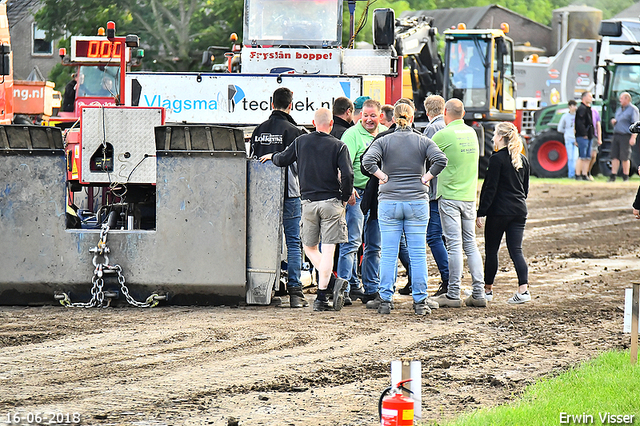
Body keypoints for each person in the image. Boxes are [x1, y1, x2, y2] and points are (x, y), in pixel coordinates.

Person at [260, 108, 354, 311]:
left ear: (313, 122)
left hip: (308, 203)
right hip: (331, 203)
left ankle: (331, 284)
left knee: (309, 248)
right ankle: (322, 297)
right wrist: (345, 198)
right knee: (328, 250)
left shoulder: (302, 141)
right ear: (331, 124)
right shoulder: (339, 146)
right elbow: (347, 175)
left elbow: (283, 159)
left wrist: (271, 156)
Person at [362, 103, 447, 315]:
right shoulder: (423, 140)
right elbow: (441, 160)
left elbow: (367, 161)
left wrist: (382, 177)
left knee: (388, 253)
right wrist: (426, 178)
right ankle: (420, 301)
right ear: (411, 118)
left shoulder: (383, 140)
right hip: (417, 202)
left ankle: (385, 300)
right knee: (418, 253)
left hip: (389, 202)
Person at [250, 88, 307, 308]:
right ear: (291, 105)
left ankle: (262, 288)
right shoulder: (294, 131)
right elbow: (299, 166)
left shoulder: (258, 130)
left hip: (262, 195)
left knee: (263, 241)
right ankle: (295, 292)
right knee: (293, 242)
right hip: (290, 194)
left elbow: (254, 160)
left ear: (271, 103)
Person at [431, 98, 486, 308]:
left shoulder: (443, 134)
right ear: (462, 114)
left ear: (445, 112)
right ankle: (478, 292)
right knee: (470, 244)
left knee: (454, 245)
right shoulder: (472, 133)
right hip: (469, 196)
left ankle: (453, 293)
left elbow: (425, 153)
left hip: (450, 196)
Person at [338, 98, 387, 303]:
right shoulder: (351, 135)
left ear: (380, 116)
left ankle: (371, 288)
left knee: (374, 244)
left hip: (378, 195)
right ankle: (344, 288)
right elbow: (343, 165)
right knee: (352, 242)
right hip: (356, 195)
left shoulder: (385, 134)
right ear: (359, 115)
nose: (368, 119)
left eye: (372, 116)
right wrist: (347, 191)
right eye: (365, 115)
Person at [476, 122, 531, 304]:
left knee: (492, 251)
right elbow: (525, 189)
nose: (493, 139)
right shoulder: (522, 160)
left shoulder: (497, 159)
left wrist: (481, 212)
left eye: (494, 136)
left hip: (499, 211)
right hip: (519, 210)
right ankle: (523, 290)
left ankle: (488, 290)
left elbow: (490, 188)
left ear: (500, 137)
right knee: (516, 250)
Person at [609, 92, 639, 182]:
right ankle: (613, 175)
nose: (620, 100)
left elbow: (636, 124)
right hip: (616, 134)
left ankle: (625, 176)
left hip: (626, 136)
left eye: (621, 99)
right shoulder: (619, 109)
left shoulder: (633, 110)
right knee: (614, 156)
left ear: (627, 99)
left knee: (625, 156)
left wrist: (633, 137)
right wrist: (613, 121)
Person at [574, 91, 594, 181]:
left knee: (587, 156)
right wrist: (583, 134)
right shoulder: (581, 109)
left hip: (589, 135)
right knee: (582, 156)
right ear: (584, 97)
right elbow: (579, 123)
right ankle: (578, 174)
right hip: (583, 136)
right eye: (589, 96)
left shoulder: (588, 109)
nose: (591, 98)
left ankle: (585, 174)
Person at [557, 100, 578, 179]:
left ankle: (576, 173)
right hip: (568, 138)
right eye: (573, 106)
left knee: (576, 157)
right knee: (570, 158)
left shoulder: (578, 116)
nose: (575, 108)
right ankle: (571, 174)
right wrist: (566, 132)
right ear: (570, 107)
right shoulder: (565, 116)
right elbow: (560, 128)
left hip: (576, 139)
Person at [587, 106, 602, 181]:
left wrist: (599, 137)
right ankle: (585, 173)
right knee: (587, 156)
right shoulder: (582, 110)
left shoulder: (595, 111)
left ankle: (588, 171)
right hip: (586, 136)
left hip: (594, 136)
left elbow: (598, 125)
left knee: (593, 156)